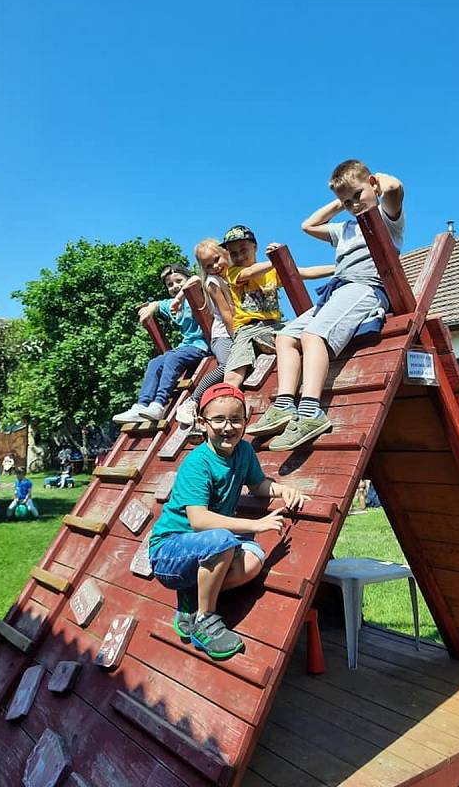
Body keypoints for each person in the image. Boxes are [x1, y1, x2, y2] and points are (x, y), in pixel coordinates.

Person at [247, 159, 405, 450]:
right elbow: (308, 226)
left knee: (313, 335)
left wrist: (375, 183)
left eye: (357, 196)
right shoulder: (344, 229)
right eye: (348, 202)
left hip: (366, 288)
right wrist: (340, 202)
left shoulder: (386, 218)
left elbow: (394, 187)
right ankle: (285, 405)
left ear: (372, 184)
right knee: (286, 336)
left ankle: (310, 411)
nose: (355, 205)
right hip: (338, 292)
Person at [149, 383, 307, 660]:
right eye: (219, 420)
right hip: (170, 551)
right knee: (222, 540)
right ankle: (204, 620)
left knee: (254, 561)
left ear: (246, 422)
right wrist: (255, 526)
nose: (228, 427)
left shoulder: (244, 452)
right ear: (202, 423)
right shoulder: (198, 462)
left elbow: (258, 485)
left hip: (209, 545)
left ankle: (192, 594)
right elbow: (199, 520)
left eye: (235, 420)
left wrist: (283, 490)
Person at [219, 225, 334, 388]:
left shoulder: (271, 271)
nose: (239, 256)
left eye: (243, 250)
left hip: (276, 325)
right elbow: (250, 272)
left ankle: (305, 370)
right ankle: (227, 398)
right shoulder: (233, 272)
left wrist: (337, 268)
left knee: (309, 335)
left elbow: (303, 273)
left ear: (255, 247)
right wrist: (275, 259)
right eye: (233, 253)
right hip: (248, 328)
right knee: (234, 372)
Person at [112, 263, 209, 424]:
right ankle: (141, 405)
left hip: (202, 345)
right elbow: (156, 304)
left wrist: (181, 296)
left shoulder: (197, 295)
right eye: (170, 284)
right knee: (155, 362)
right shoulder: (172, 305)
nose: (175, 286)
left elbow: (197, 279)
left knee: (172, 359)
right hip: (185, 347)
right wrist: (149, 309)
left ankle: (159, 404)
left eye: (179, 280)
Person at [175, 239, 235, 436]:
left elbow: (193, 279)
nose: (215, 266)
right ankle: (192, 401)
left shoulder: (234, 274)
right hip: (224, 335)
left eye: (217, 259)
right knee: (227, 366)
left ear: (225, 253)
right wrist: (236, 337)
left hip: (240, 330)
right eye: (208, 265)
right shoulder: (213, 281)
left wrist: (179, 297)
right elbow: (227, 315)